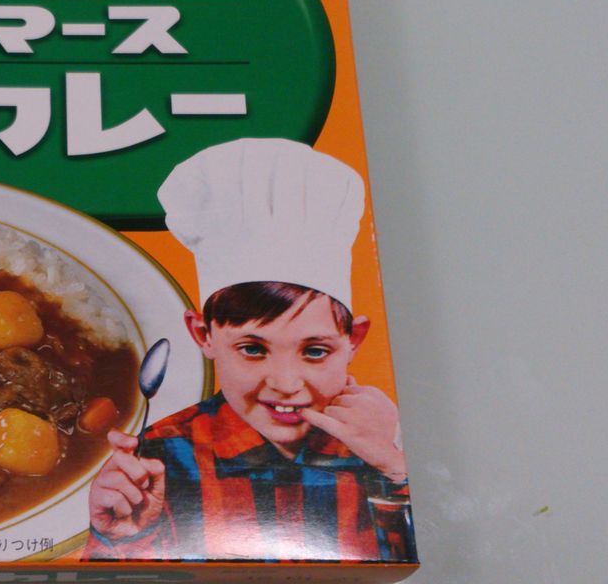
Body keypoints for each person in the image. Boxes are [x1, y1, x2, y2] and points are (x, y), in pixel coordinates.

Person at [84, 138, 415, 562]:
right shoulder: (159, 455)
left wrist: (394, 466)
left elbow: (409, 562)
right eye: (253, 350)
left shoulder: (389, 438)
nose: (286, 384)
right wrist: (121, 536)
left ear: (354, 340)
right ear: (203, 334)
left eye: (315, 352)